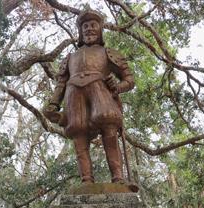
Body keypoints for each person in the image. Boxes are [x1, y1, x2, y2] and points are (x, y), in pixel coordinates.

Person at [43, 8, 135, 184]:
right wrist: (54, 104)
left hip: (100, 92)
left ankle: (118, 177)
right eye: (85, 26)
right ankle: (86, 179)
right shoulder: (70, 57)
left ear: (100, 29)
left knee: (109, 129)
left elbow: (129, 80)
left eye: (93, 25)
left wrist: (117, 86)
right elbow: (61, 83)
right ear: (80, 31)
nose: (89, 29)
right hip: (73, 95)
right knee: (78, 133)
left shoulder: (108, 53)